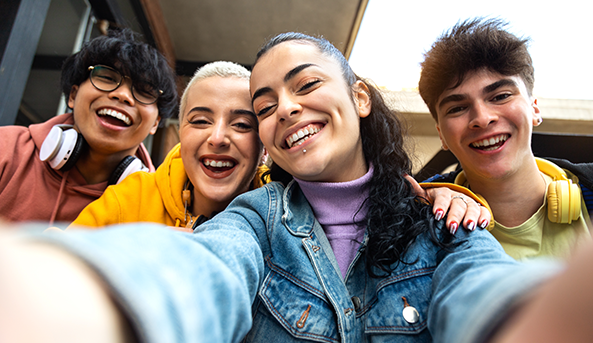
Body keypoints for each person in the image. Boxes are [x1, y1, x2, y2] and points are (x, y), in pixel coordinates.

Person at [0, 32, 570, 343]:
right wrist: (70, 300)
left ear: (360, 98)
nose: (287, 108)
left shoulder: (441, 218)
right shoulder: (250, 219)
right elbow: (201, 271)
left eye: (306, 85)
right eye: (266, 106)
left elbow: (484, 291)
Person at [418, 18, 592, 261]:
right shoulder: (419, 219)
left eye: (500, 96)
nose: (482, 118)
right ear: (441, 135)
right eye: (457, 108)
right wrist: (414, 205)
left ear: (534, 109)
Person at [0, 29, 178, 226]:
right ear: (73, 96)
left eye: (144, 91)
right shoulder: (5, 148)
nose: (123, 95)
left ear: (155, 123)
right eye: (108, 78)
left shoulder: (153, 210)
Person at [68, 61, 268, 231]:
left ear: (264, 147)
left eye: (242, 125)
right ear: (181, 134)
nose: (217, 138)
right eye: (200, 121)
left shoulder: (286, 216)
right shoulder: (134, 196)